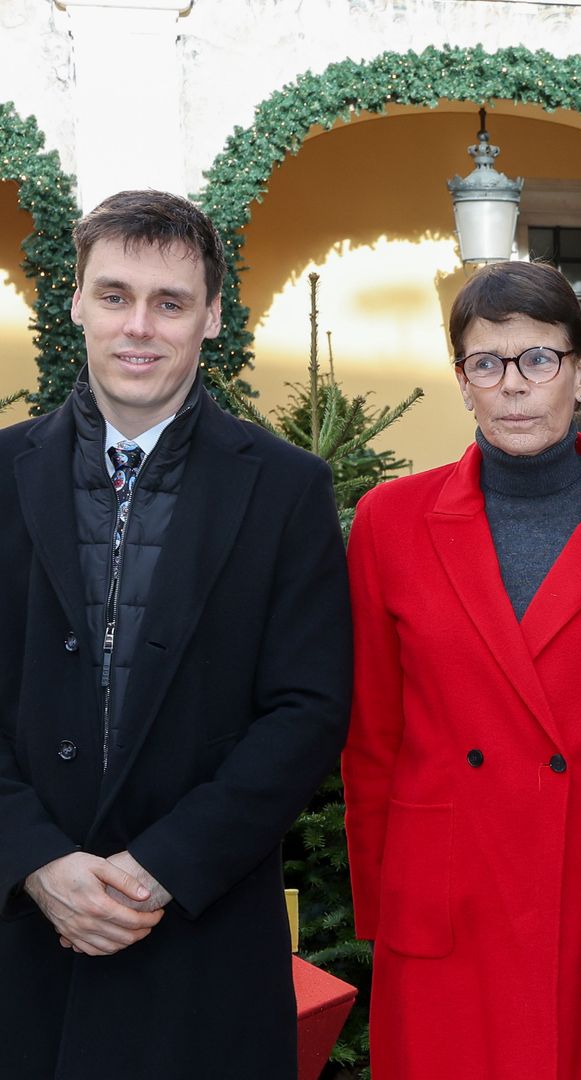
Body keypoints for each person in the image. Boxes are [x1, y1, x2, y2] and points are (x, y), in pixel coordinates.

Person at [0, 190, 352, 1079]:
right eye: (115, 295)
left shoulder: (285, 489)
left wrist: (162, 866)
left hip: (198, 939)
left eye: (170, 302)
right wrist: (36, 860)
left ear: (212, 318)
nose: (139, 328)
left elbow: (307, 709)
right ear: (74, 302)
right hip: (18, 944)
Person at [342, 261, 581, 1080]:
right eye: (487, 362)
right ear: (463, 381)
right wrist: (389, 902)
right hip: (445, 899)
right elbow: (371, 736)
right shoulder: (389, 523)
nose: (514, 385)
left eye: (538, 359)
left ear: (580, 373)